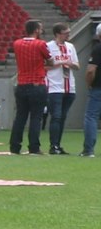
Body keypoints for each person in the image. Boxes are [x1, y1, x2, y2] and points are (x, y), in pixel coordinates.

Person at [9, 19, 49, 155]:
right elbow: (49, 59)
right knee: (36, 117)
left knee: (20, 116)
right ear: (37, 30)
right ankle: (34, 147)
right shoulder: (41, 44)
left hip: (21, 83)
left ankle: (14, 147)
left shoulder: (17, 44)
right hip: (37, 84)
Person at [44, 24, 79, 155]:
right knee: (56, 116)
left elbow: (77, 65)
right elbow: (44, 66)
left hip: (69, 87)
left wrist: (71, 64)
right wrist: (58, 63)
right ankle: (53, 145)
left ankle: (58, 144)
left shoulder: (70, 47)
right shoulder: (48, 47)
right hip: (54, 87)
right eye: (66, 33)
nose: (68, 35)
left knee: (62, 117)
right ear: (58, 33)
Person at [84, 32, 100, 158]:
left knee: (91, 116)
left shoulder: (97, 49)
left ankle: (89, 150)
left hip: (98, 87)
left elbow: (91, 70)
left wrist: (89, 84)